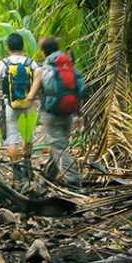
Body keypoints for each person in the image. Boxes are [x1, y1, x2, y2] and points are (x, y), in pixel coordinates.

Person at [26, 36, 86, 187]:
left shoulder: (43, 69)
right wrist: (78, 115)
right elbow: (79, 90)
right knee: (59, 143)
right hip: (69, 111)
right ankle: (49, 175)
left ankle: (72, 179)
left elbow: (33, 94)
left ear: (43, 52)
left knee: (58, 145)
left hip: (51, 112)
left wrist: (26, 101)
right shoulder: (70, 67)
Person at [0, 32, 39, 177]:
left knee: (12, 137)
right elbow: (37, 83)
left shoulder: (3, 64)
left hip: (9, 105)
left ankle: (16, 170)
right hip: (28, 104)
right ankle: (27, 164)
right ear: (23, 47)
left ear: (8, 47)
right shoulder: (31, 63)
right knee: (27, 135)